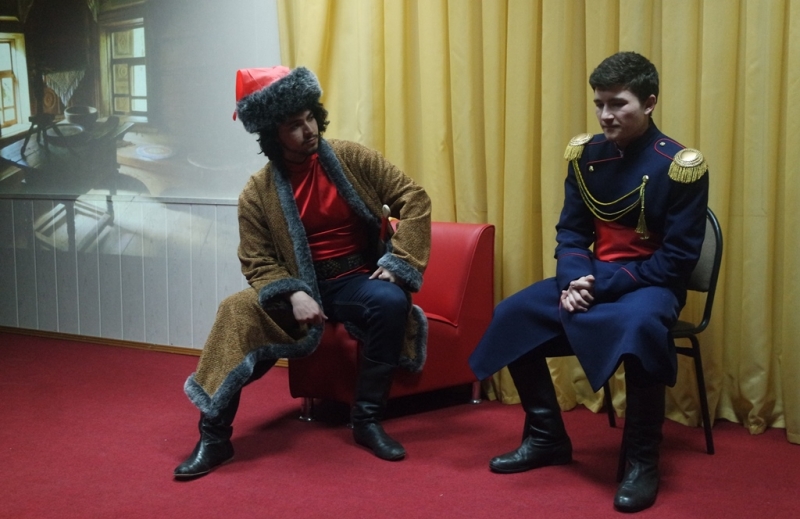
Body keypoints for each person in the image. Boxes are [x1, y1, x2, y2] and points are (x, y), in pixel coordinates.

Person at [468, 52, 708, 513]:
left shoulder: (679, 164)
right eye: (599, 104)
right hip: (590, 277)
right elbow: (572, 232)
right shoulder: (586, 156)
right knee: (514, 314)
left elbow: (677, 260)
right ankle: (547, 438)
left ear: (649, 103)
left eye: (618, 104)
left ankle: (642, 461)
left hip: (650, 284)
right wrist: (576, 278)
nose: (605, 115)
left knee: (641, 329)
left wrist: (599, 286)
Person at [174, 66, 431, 479]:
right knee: (235, 312)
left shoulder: (351, 158)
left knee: (390, 300)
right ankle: (214, 437)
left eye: (310, 117)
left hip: (354, 279)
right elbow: (256, 260)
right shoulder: (256, 192)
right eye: (294, 125)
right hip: (296, 284)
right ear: (273, 135)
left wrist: (399, 264)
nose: (308, 130)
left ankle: (367, 420)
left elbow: (414, 197)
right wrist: (293, 293)